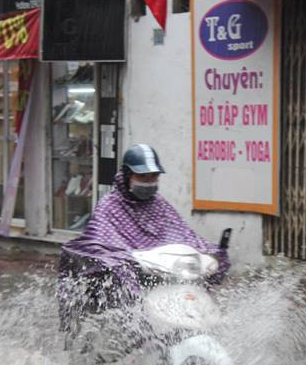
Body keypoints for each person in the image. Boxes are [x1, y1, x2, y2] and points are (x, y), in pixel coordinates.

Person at [57, 143, 230, 338]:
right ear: (127, 175)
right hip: (126, 284)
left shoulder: (159, 205)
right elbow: (101, 244)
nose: (149, 182)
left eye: (153, 177)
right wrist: (122, 260)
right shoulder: (109, 206)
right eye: (142, 177)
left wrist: (210, 253)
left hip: (163, 278)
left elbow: (183, 235)